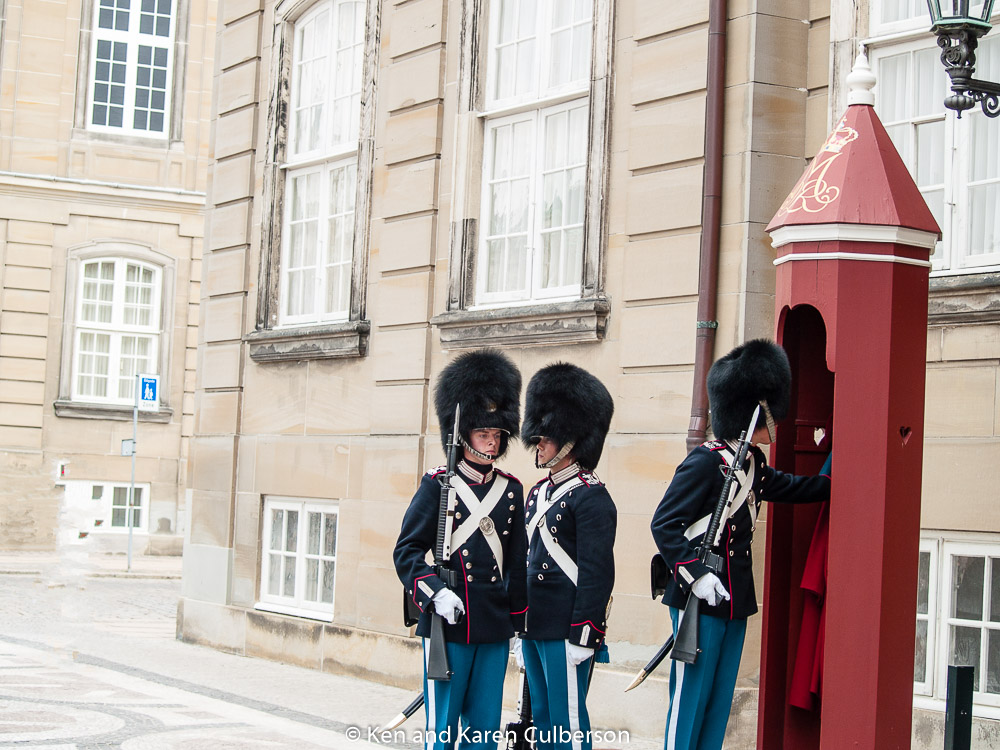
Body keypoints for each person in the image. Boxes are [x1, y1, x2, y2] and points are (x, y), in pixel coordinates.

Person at [650, 339, 831, 750]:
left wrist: (834, 478)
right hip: (700, 598)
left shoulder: (751, 464)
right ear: (753, 412)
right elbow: (664, 524)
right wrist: (696, 577)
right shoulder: (705, 461)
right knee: (690, 702)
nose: (777, 422)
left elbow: (792, 487)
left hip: (733, 600)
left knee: (717, 703)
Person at [393, 349, 527, 750]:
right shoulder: (437, 484)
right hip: (449, 621)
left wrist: (519, 625)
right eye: (483, 433)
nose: (492, 441)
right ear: (463, 434)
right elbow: (407, 552)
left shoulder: (510, 489)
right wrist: (435, 592)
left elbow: (516, 564)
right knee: (444, 730)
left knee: (484, 732)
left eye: (497, 434)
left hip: (494, 624)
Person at [516, 362, 616, 750]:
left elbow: (596, 573)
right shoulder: (538, 492)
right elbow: (527, 559)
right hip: (535, 623)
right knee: (542, 718)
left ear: (571, 441)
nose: (538, 445)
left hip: (566, 627)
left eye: (547, 438)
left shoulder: (592, 497)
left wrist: (585, 632)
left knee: (568, 722)